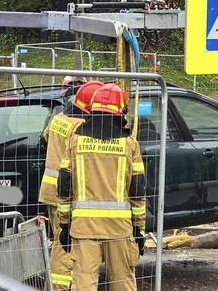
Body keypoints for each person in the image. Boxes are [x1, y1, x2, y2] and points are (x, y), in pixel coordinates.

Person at [58, 83, 146, 291]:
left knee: (84, 284)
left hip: (83, 228)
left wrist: (63, 224)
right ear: (120, 113)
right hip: (120, 229)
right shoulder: (130, 144)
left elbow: (64, 186)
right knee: (122, 283)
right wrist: (139, 227)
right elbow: (137, 190)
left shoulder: (75, 142)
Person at [39, 81, 104, 290]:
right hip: (66, 192)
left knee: (59, 239)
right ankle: (62, 286)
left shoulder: (59, 118)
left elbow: (45, 139)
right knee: (66, 244)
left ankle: (61, 284)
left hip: (50, 190)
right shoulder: (79, 127)